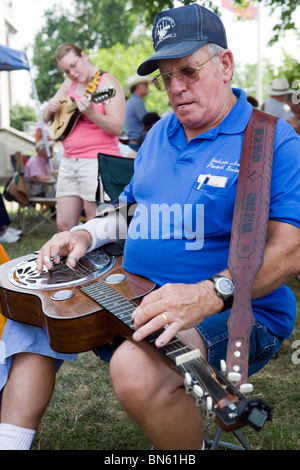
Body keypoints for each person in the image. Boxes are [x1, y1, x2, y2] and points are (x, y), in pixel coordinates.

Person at [1, 4, 300, 451]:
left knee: (134, 370)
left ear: (225, 64)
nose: (175, 88)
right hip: (132, 290)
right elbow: (130, 208)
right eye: (165, 76)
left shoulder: (268, 138)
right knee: (31, 316)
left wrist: (207, 292)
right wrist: (87, 233)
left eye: (188, 71)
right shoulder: (161, 132)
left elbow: (290, 249)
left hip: (234, 310)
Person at [42, 43, 125, 232]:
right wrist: (50, 107)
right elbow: (46, 117)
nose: (72, 73)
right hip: (69, 160)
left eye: (73, 65)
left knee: (94, 224)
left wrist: (92, 114)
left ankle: (96, 262)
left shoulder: (106, 83)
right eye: (66, 71)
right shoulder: (69, 84)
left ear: (84, 56)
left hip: (96, 161)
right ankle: (70, 261)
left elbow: (117, 127)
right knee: (63, 223)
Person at [124, 74, 152, 150]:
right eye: (146, 85)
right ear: (139, 87)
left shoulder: (131, 101)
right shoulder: (137, 102)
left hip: (134, 142)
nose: (148, 88)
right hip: (138, 144)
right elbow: (147, 122)